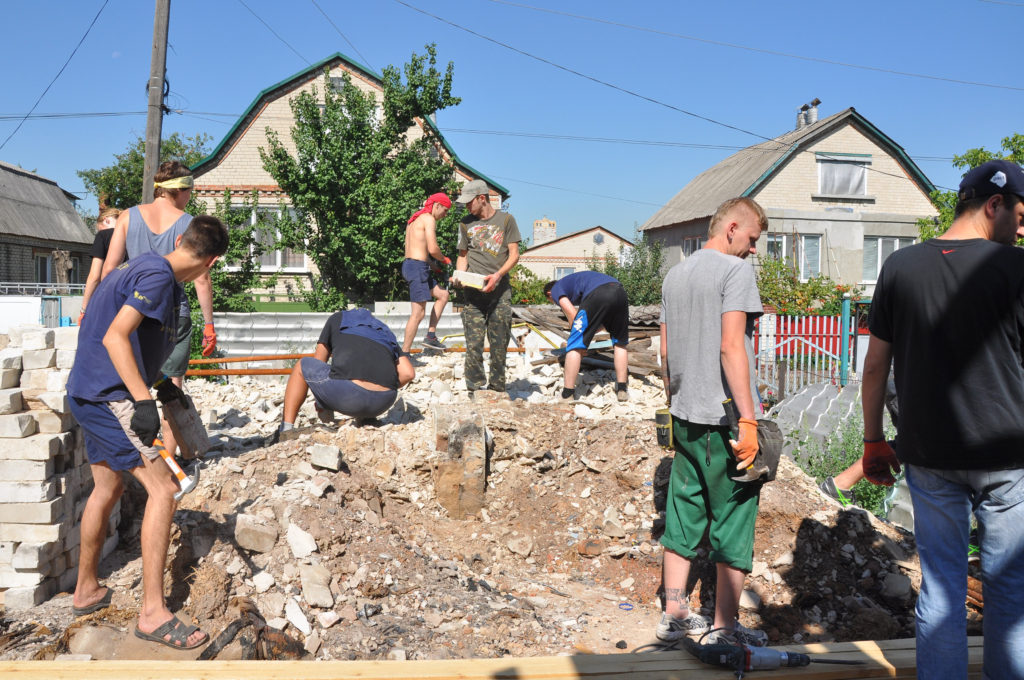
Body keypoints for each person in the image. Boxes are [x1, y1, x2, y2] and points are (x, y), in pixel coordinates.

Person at [861, 159, 1024, 679]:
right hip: (1009, 458)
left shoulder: (900, 267)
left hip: (929, 457)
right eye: (1021, 215)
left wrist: (871, 441)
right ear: (993, 204)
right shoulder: (1018, 269)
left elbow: (875, 365)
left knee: (943, 590)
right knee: (1011, 592)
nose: (1023, 228)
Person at [67, 215, 229, 650]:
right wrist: (141, 401)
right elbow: (116, 337)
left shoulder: (144, 265)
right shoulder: (158, 278)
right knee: (164, 490)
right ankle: (153, 613)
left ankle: (86, 590)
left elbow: (113, 330)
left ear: (180, 240)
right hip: (110, 397)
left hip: (89, 390)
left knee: (108, 487)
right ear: (211, 262)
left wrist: (153, 382)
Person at [656, 197, 768, 647]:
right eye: (753, 240)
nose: (754, 250)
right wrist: (748, 420)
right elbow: (730, 348)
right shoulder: (735, 271)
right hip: (723, 420)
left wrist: (674, 401)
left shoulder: (674, 273)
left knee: (683, 511)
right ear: (733, 228)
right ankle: (724, 629)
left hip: (684, 414)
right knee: (735, 516)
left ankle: (674, 614)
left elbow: (665, 353)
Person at [102, 161, 216, 459]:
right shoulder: (189, 223)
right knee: (171, 393)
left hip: (134, 312)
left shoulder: (128, 216)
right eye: (190, 190)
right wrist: (209, 325)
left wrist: (108, 311)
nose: (190, 196)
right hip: (173, 313)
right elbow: (202, 278)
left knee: (132, 384)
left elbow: (110, 269)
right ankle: (177, 459)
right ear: (179, 190)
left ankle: (140, 458)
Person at [276, 308, 415, 434]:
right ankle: (366, 419)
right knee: (361, 376)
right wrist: (380, 384)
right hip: (384, 401)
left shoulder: (337, 319)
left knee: (302, 365)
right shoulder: (383, 330)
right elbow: (408, 373)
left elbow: (319, 362)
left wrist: (322, 403)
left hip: (348, 397)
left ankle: (286, 429)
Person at [452, 180, 521, 395]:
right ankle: (474, 388)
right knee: (473, 345)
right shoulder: (465, 224)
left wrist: (498, 275)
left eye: (469, 202)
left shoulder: (507, 220)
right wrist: (459, 276)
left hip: (499, 294)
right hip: (473, 295)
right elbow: (463, 255)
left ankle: (497, 388)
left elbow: (514, 254)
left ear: (482, 198)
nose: (466, 207)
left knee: (499, 345)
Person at [543, 272, 630, 401]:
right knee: (620, 342)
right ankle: (622, 389)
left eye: (551, 301)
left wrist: (578, 342)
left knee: (574, 345)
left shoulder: (555, 289)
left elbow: (573, 314)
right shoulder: (577, 282)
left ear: (549, 294)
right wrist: (586, 336)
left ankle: (567, 394)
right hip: (620, 292)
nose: (554, 303)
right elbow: (602, 326)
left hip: (598, 293)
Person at [401, 192, 452, 352]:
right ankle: (405, 354)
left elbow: (417, 251)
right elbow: (433, 248)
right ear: (437, 205)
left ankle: (431, 336)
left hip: (413, 266)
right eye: (445, 210)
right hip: (417, 268)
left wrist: (433, 265)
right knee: (418, 313)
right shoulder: (428, 219)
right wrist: (444, 260)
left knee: (443, 295)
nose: (445, 215)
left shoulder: (414, 220)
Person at [79, 207, 122, 323]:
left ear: (106, 220)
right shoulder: (133, 234)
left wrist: (84, 309)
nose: (100, 231)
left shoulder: (103, 235)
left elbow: (94, 276)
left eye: (100, 229)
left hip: (111, 298)